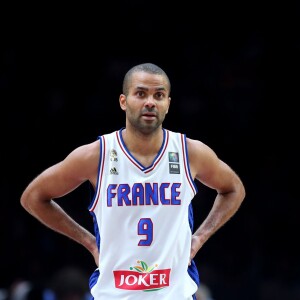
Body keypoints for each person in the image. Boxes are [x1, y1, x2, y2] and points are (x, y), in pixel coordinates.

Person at [20, 62, 246, 300]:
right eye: (141, 93)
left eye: (159, 95)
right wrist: (89, 242)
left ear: (168, 104)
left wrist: (200, 237)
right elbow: (33, 197)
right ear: (123, 101)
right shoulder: (97, 155)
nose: (150, 102)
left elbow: (233, 189)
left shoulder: (190, 153)